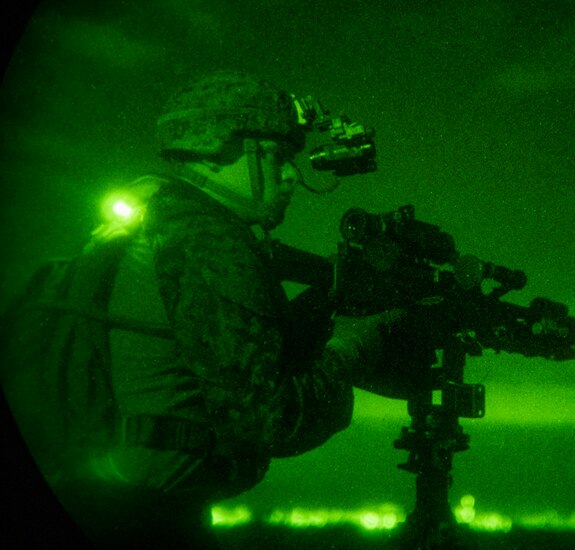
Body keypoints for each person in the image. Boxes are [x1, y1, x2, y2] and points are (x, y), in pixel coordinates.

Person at [0, 71, 411, 548]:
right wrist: (354, 346)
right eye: (275, 156)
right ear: (218, 153)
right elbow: (274, 422)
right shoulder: (210, 244)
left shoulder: (149, 222)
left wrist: (316, 314)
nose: (290, 177)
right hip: (147, 519)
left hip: (99, 496)